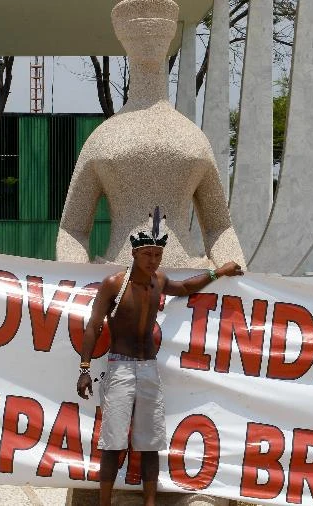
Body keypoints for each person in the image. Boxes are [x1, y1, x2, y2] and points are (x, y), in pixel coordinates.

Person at [75, 208, 242, 506]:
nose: (153, 260)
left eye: (157, 255)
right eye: (147, 255)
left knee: (150, 442)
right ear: (134, 254)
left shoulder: (158, 281)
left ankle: (150, 503)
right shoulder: (114, 284)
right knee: (113, 442)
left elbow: (186, 287)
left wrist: (219, 272)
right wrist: (85, 368)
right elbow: (93, 325)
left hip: (148, 369)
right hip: (120, 368)